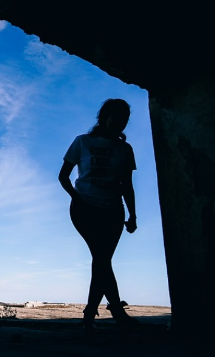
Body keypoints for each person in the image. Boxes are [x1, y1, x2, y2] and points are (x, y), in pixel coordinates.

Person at [58, 98, 140, 334]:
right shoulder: (82, 142)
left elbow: (127, 185)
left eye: (126, 119)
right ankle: (113, 312)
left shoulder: (126, 149)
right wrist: (76, 197)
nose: (122, 123)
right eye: (118, 117)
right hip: (86, 209)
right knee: (102, 258)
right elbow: (63, 176)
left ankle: (91, 315)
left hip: (114, 211)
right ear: (104, 117)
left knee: (102, 261)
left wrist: (132, 215)